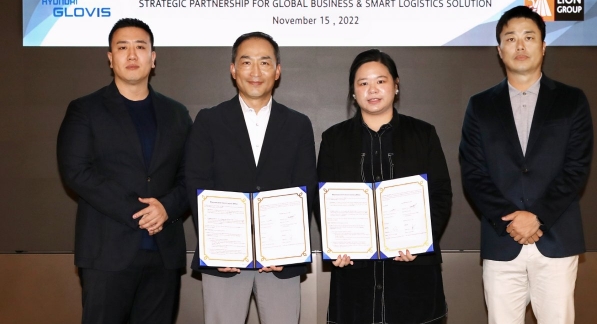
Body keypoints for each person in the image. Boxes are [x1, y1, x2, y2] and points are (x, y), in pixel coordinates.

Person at [459, 6, 593, 324]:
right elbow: (473, 171)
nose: (520, 45)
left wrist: (539, 217)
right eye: (511, 38)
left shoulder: (572, 100)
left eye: (529, 37)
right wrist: (512, 221)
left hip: (557, 239)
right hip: (502, 240)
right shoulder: (480, 106)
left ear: (543, 47)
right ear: (499, 50)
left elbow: (577, 167)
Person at [56, 18, 193, 324]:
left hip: (163, 253)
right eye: (122, 47)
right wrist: (140, 211)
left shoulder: (177, 113)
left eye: (140, 47)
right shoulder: (85, 109)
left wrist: (167, 208)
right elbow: (76, 171)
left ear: (153, 57)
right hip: (106, 254)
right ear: (110, 57)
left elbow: (191, 175)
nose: (132, 55)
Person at [185, 32, 317, 324]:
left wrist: (288, 247)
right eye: (246, 62)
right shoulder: (209, 121)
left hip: (281, 261)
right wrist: (217, 246)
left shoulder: (297, 124)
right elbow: (195, 181)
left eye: (265, 62)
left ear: (277, 70)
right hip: (225, 260)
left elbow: (306, 186)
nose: (255, 72)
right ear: (233, 69)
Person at [317, 49, 452, 324]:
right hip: (355, 275)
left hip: (413, 272)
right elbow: (324, 203)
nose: (372, 89)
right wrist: (336, 244)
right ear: (353, 92)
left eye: (381, 80)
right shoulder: (334, 139)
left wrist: (421, 241)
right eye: (363, 83)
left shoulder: (423, 134)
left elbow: (440, 194)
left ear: (396, 84)